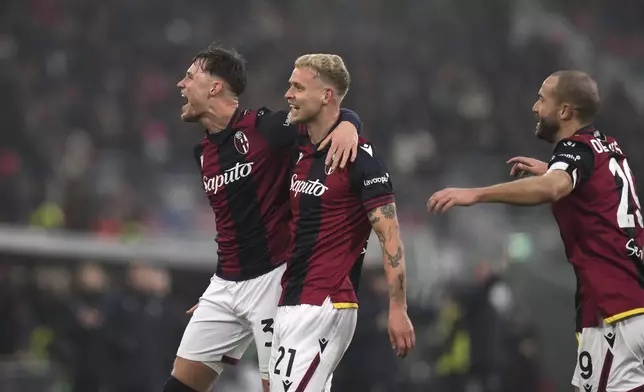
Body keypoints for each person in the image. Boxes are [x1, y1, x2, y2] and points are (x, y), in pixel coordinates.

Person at [428, 70, 644, 392]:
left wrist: (475, 194)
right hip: (628, 297)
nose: (534, 106)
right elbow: (595, 188)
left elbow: (552, 190)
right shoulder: (606, 146)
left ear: (565, 111)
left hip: (615, 306)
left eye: (543, 98)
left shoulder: (575, 149)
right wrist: (552, 169)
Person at [164, 43, 363, 392]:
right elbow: (232, 223)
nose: (181, 84)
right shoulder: (203, 153)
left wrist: (349, 123)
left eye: (189, 76)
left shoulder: (266, 128)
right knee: (180, 386)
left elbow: (325, 114)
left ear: (214, 87)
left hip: (275, 282)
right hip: (224, 286)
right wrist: (219, 291)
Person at [269, 54, 415, 392]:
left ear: (326, 95)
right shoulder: (298, 146)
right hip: (291, 300)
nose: (288, 94)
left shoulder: (361, 160)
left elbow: (390, 238)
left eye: (297, 87)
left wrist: (397, 307)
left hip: (327, 302)